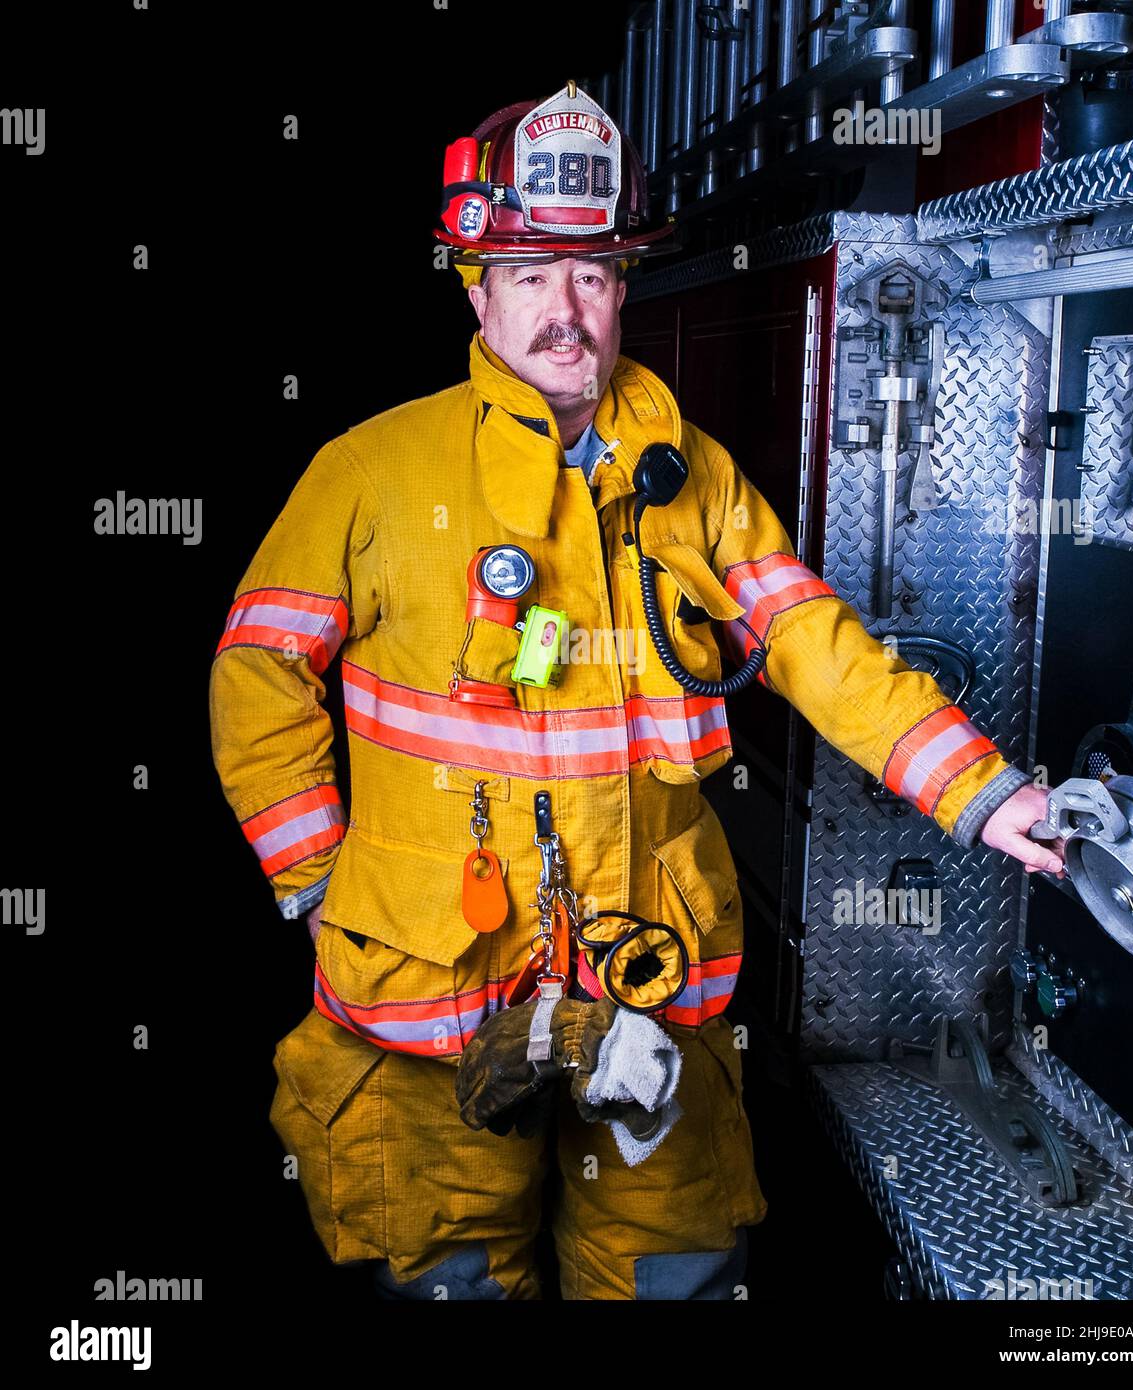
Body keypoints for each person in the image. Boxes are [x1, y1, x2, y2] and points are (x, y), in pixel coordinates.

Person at [208, 82, 1064, 1301]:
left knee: (672, 1274)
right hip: (431, 985)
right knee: (441, 1273)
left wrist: (982, 794)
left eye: (594, 276)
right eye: (528, 276)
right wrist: (311, 874)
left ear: (622, 289)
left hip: (648, 982)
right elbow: (256, 672)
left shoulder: (693, 475)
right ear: (473, 284)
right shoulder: (368, 470)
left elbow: (815, 640)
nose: (565, 311)